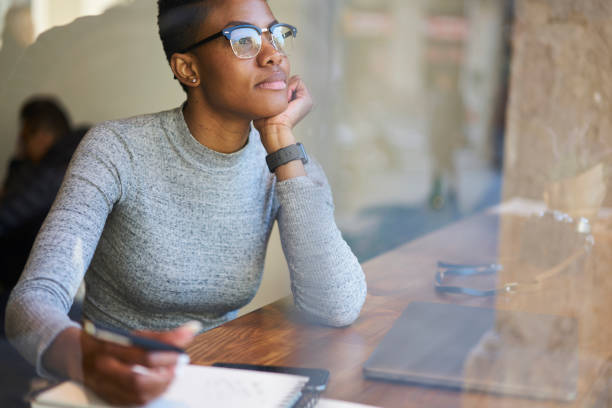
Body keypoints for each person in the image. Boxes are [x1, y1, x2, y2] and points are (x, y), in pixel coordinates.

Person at [5, 0, 367, 405]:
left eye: (275, 34)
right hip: (117, 385)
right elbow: (31, 300)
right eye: (244, 39)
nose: (273, 54)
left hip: (224, 383)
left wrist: (281, 141)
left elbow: (337, 304)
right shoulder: (116, 150)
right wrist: (86, 358)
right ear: (188, 69)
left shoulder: (287, 164)